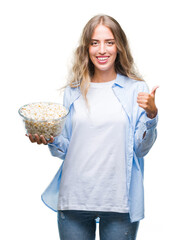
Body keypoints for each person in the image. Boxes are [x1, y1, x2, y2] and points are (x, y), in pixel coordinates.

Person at [27, 14, 158, 240]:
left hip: (119, 202)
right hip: (75, 197)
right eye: (94, 43)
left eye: (109, 42)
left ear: (119, 46)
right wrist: (50, 138)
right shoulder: (74, 91)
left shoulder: (136, 89)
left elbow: (140, 149)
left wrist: (151, 114)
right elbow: (66, 148)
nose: (102, 50)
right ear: (86, 48)